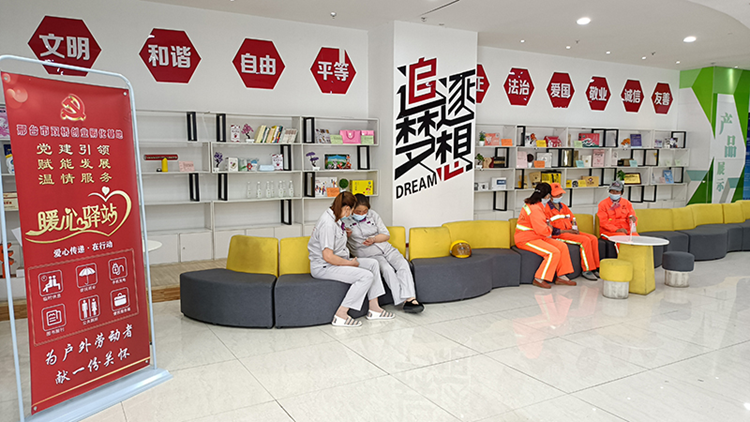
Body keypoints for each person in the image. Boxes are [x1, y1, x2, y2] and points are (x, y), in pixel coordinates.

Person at [308, 191, 395, 327]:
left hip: (337, 262)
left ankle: (374, 309)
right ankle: (341, 315)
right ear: (347, 209)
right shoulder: (328, 224)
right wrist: (349, 263)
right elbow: (328, 256)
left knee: (373, 264)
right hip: (324, 267)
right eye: (352, 211)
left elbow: (335, 242)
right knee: (366, 276)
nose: (351, 215)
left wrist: (345, 234)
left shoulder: (335, 218)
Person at [346, 194, 424, 313]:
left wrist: (374, 239)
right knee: (387, 269)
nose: (362, 214)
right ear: (352, 209)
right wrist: (346, 235)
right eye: (358, 211)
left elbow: (386, 235)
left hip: (386, 248)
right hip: (369, 254)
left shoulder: (373, 215)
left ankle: (411, 298)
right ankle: (404, 300)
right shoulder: (345, 220)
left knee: (403, 264)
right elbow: (340, 242)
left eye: (365, 211)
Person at [514, 183, 576, 289]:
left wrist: (547, 227)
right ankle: (539, 278)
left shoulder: (537, 205)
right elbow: (542, 230)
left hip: (537, 237)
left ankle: (561, 276)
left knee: (562, 246)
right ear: (547, 196)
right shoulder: (535, 209)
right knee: (553, 252)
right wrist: (550, 228)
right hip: (526, 239)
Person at [544, 183, 600, 280]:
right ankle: (587, 269)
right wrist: (567, 231)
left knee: (593, 238)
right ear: (550, 196)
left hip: (570, 231)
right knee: (585, 240)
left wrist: (575, 228)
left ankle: (595, 267)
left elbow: (572, 219)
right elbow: (548, 228)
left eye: (560, 194)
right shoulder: (546, 209)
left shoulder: (564, 207)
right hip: (559, 235)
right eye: (556, 195)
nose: (559, 197)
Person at [597, 180, 638, 255]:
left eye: (617, 192)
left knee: (636, 238)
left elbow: (632, 216)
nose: (614, 193)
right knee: (622, 238)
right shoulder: (603, 204)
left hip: (626, 230)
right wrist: (616, 229)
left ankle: (638, 258)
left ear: (622, 192)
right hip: (609, 231)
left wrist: (632, 220)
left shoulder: (627, 203)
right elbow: (603, 222)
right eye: (612, 191)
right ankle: (624, 258)